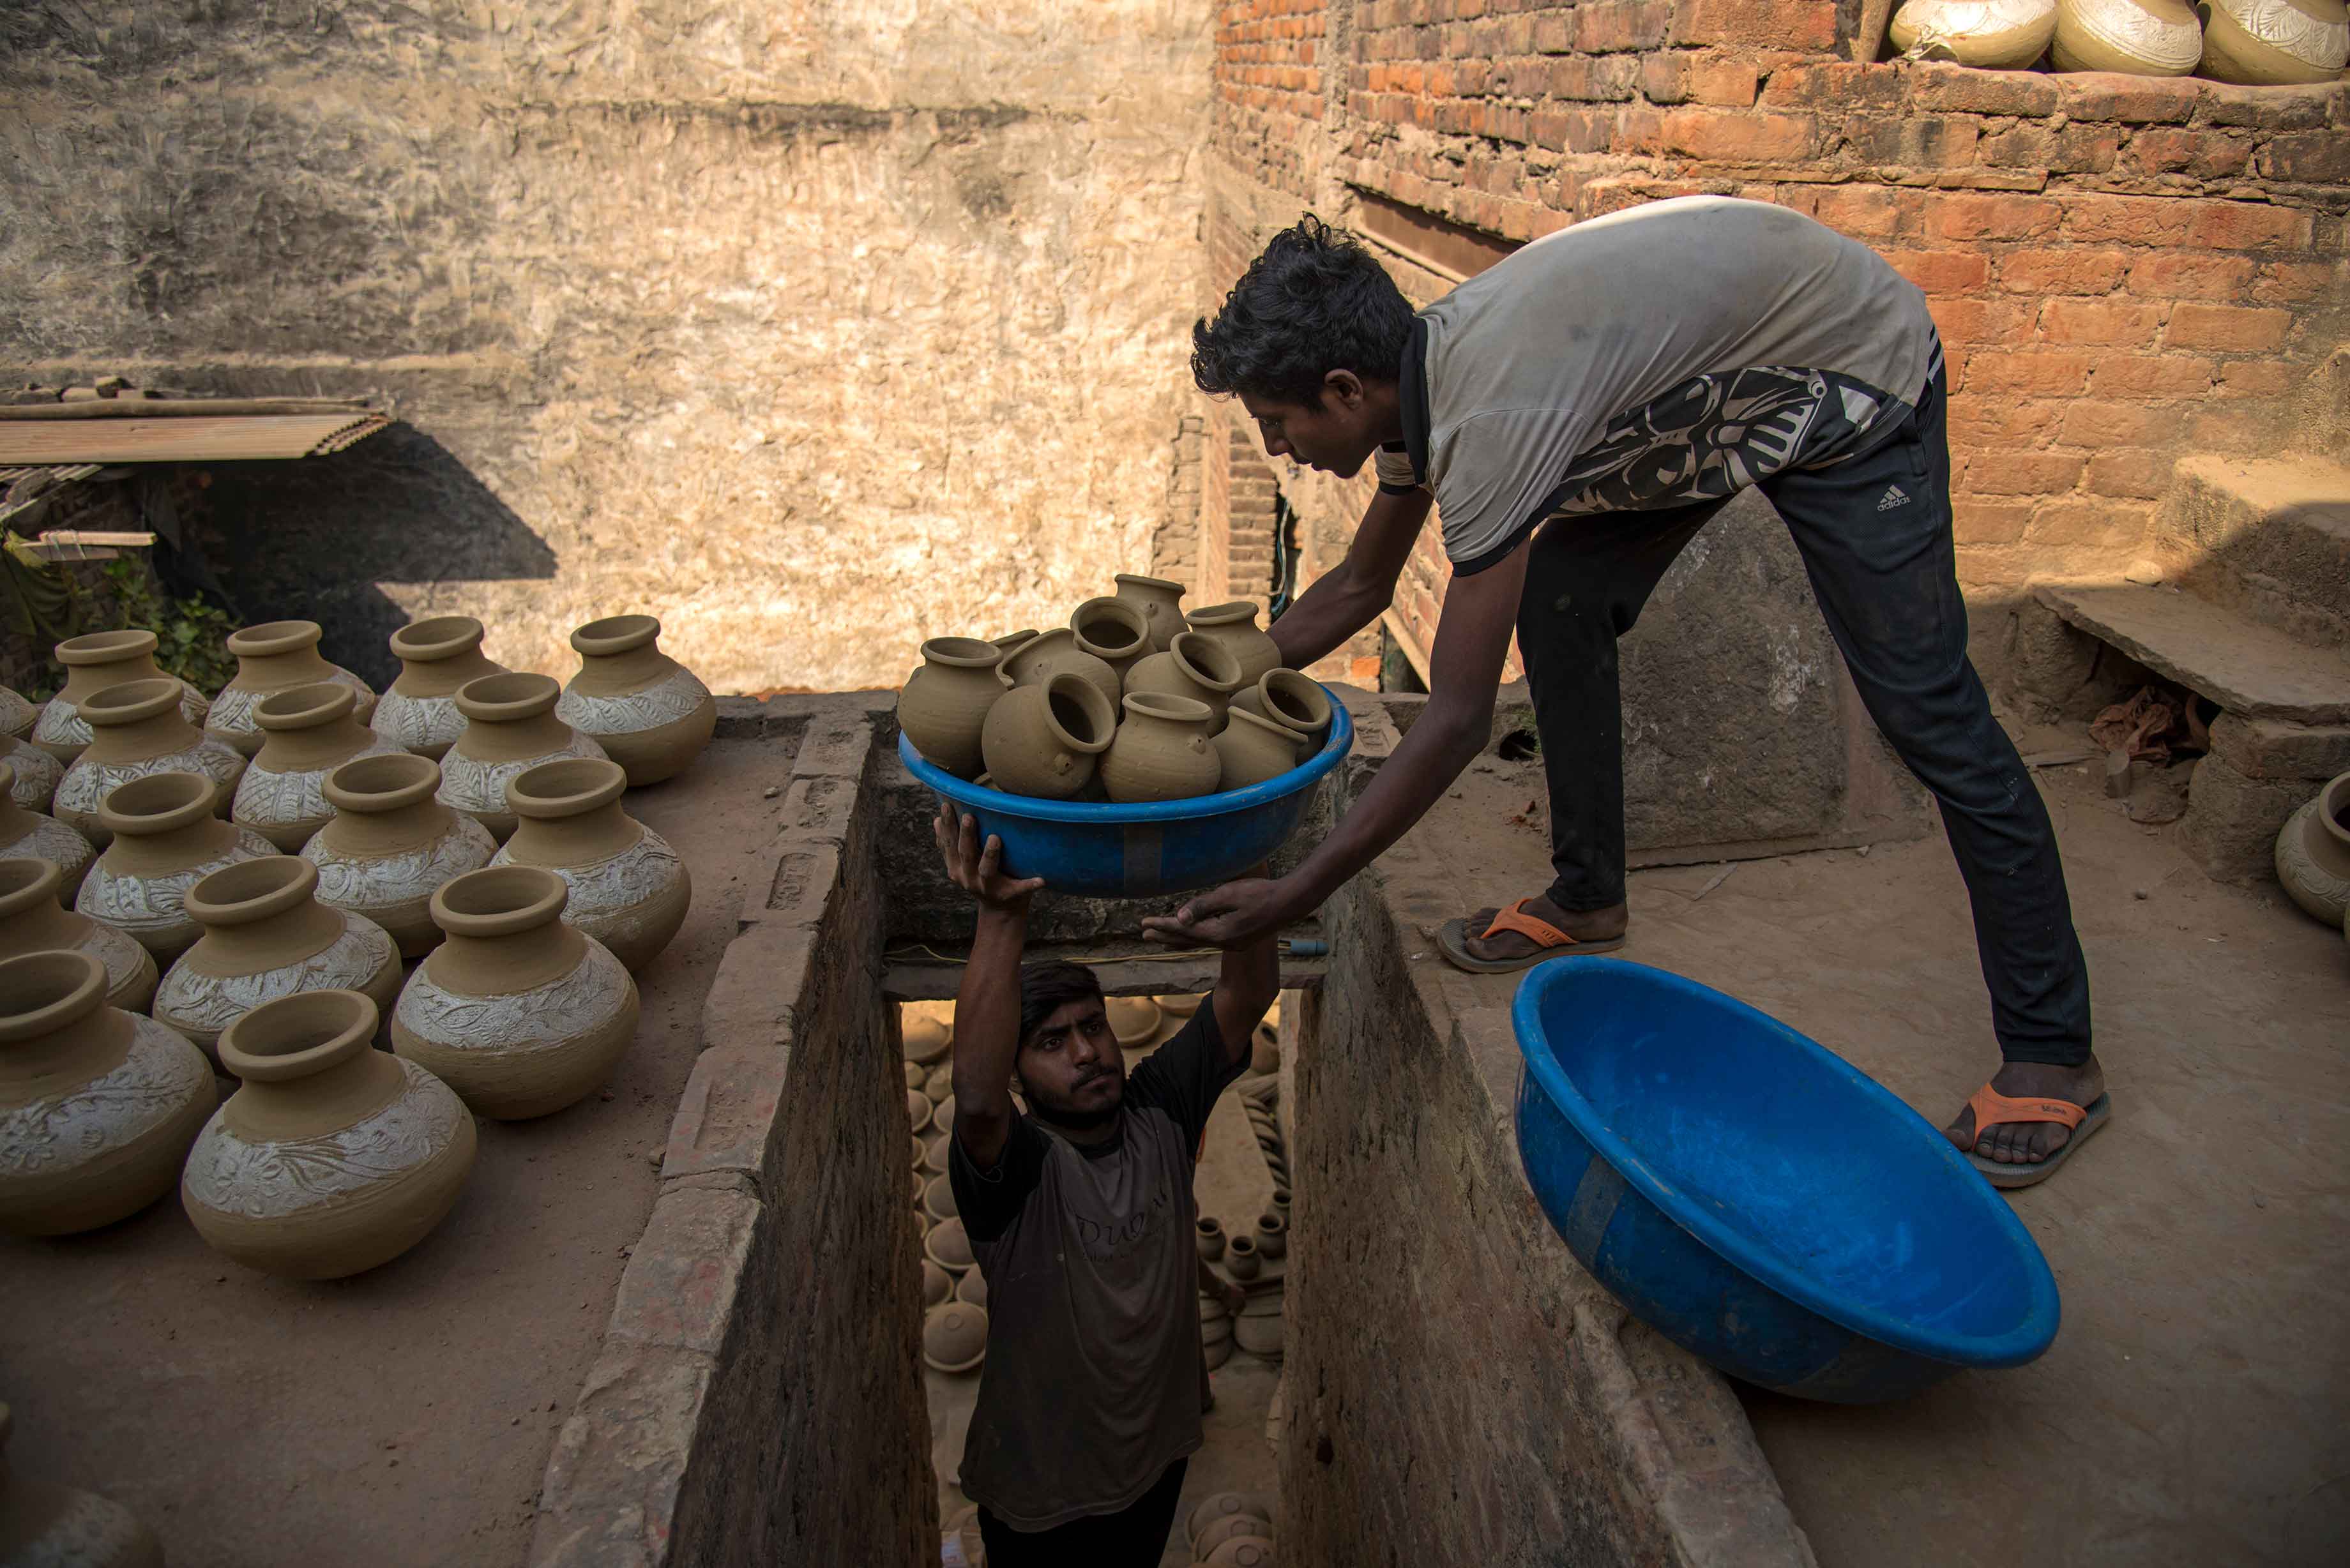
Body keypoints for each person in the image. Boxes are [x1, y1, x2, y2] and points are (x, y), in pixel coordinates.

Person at [1153, 196, 2105, 1188]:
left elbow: (1457, 720)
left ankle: (2054, 1051)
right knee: (1564, 594)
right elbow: (1358, 587)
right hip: (1708, 398)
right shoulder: (1418, 377)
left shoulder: (1492, 412)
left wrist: (1296, 891)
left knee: (1928, 710)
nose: (1275, 450)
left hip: (1849, 376)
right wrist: (1191, 690)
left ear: (1344, 389)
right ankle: (1588, 896)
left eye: (1275, 423)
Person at [934, 801, 1277, 1562]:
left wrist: (1253, 846)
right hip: (1042, 1493)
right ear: (1020, 1073)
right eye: (1051, 1042)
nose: (1086, 1051)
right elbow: (978, 1099)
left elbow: (1244, 995)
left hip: (1156, 1455)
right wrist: (998, 916)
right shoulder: (1015, 1173)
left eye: (1092, 1025)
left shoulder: (1161, 1111)